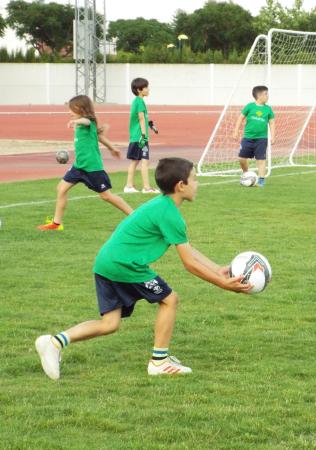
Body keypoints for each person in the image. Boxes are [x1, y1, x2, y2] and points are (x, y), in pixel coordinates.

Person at [35, 157, 252, 379]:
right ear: (181, 185)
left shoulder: (162, 206)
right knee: (169, 299)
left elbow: (187, 248)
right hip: (124, 265)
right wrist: (223, 284)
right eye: (194, 179)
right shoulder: (169, 213)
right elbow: (189, 263)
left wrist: (217, 269)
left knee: (110, 324)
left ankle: (54, 343)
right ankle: (159, 362)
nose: (197, 184)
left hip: (107, 263)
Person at [37, 95, 133, 231]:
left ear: (81, 109)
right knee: (61, 189)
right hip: (78, 166)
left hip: (92, 168)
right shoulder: (80, 124)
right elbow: (99, 137)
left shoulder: (88, 122)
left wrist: (77, 122)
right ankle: (56, 224)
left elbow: (87, 121)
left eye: (71, 109)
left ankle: (134, 216)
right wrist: (112, 148)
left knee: (106, 196)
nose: (69, 112)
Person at [232, 85, 276, 187]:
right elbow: (240, 118)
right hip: (247, 138)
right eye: (266, 94)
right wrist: (235, 131)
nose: (268, 96)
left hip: (261, 139)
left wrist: (273, 136)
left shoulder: (268, 109)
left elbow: (272, 123)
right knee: (242, 158)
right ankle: (246, 173)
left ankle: (261, 180)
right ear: (259, 95)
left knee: (261, 160)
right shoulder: (249, 106)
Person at [123, 77, 159, 194]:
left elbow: (142, 119)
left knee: (137, 161)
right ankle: (146, 188)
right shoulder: (139, 102)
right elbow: (141, 118)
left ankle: (130, 186)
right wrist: (144, 135)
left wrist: (150, 125)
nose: (148, 89)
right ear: (139, 90)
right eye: (146, 87)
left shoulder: (138, 102)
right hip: (140, 137)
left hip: (136, 136)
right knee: (143, 161)